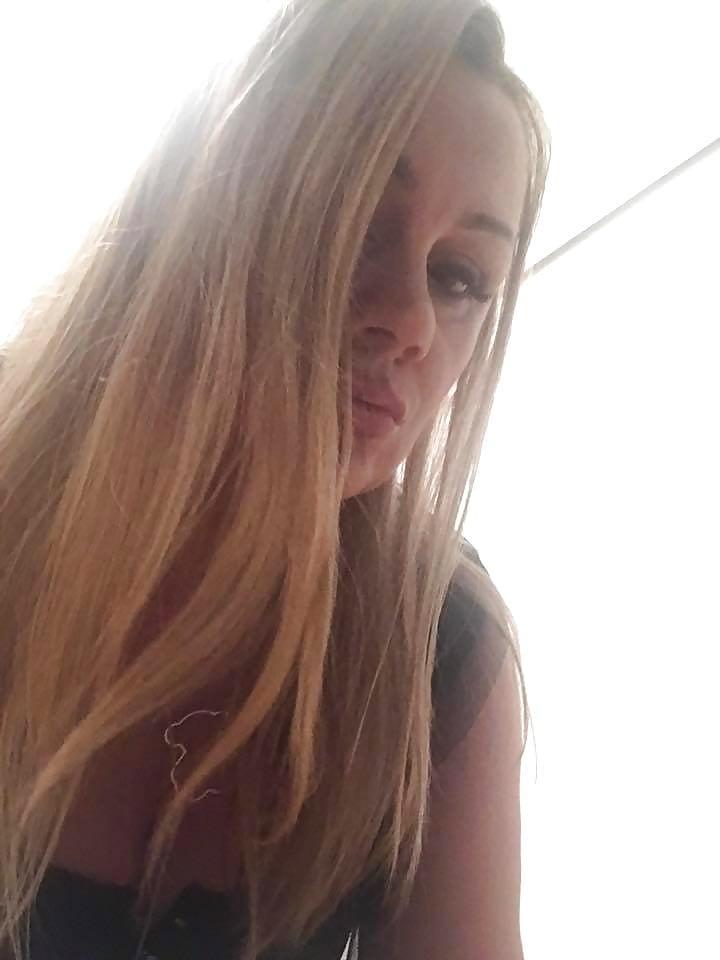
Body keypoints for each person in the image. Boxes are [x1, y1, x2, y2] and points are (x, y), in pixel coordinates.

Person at [0, 0, 549, 957]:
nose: (410, 320)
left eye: (460, 275)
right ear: (208, 196)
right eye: (358, 218)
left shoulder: (433, 656)